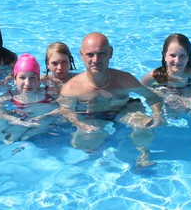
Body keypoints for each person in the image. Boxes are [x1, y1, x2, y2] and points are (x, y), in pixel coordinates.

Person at [58, 32, 164, 167]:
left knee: (144, 124)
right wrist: (80, 124)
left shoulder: (124, 79)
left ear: (110, 53)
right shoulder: (72, 89)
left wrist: (158, 114)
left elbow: (152, 97)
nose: (96, 60)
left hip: (123, 109)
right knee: (84, 142)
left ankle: (143, 156)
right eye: (90, 54)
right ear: (81, 55)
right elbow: (65, 110)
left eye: (101, 54)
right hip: (94, 115)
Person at [140, 33, 191, 152]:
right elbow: (142, 87)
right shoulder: (157, 75)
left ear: (188, 57)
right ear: (165, 56)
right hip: (166, 90)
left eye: (182, 56)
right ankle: (147, 141)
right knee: (159, 113)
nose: (177, 61)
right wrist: (161, 95)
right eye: (172, 55)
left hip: (188, 91)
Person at [0, 53, 58, 143]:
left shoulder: (48, 93)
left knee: (42, 124)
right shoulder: (10, 96)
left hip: (42, 121)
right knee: (10, 136)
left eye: (32, 78)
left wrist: (44, 116)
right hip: (20, 120)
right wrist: (14, 120)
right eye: (22, 78)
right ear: (15, 80)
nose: (27, 83)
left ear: (38, 80)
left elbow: (62, 108)